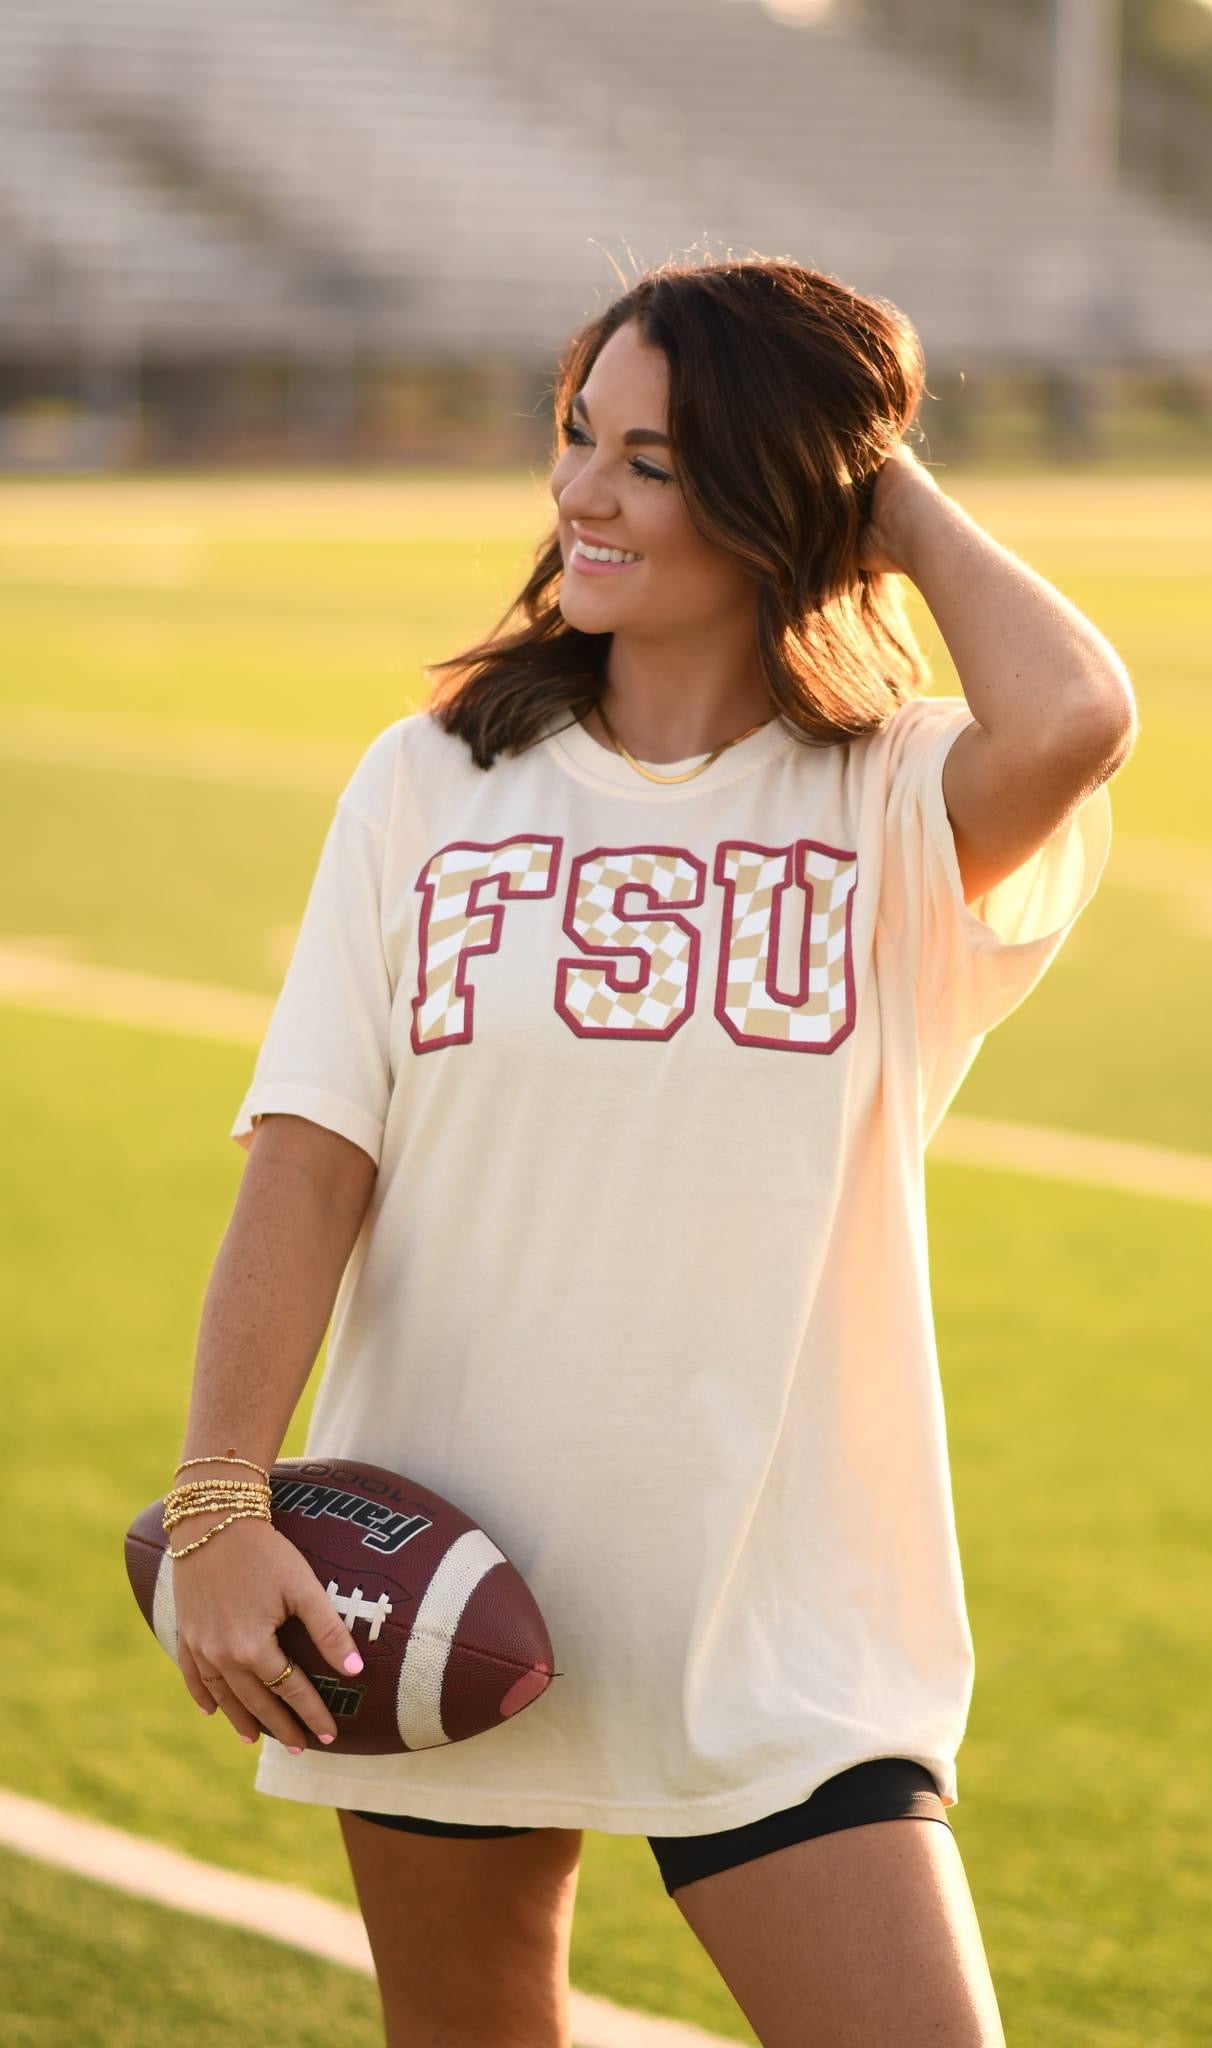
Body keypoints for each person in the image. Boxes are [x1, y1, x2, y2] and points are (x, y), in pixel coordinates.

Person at [170, 255, 1134, 2046]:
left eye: (653, 461)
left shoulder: (892, 800)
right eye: (574, 438)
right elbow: (308, 1156)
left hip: (778, 1616)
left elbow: (1075, 717)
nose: (578, 497)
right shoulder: (428, 782)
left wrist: (889, 489)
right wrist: (225, 1496)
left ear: (781, 489)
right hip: (441, 1576)